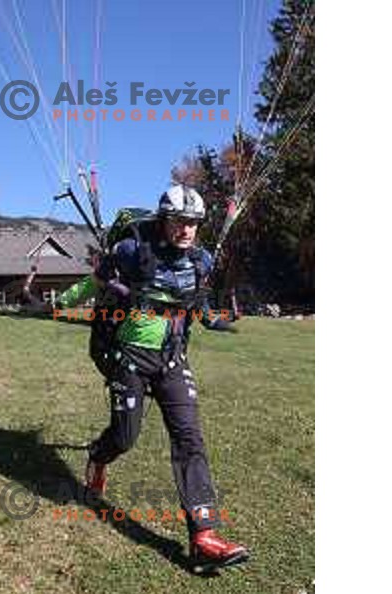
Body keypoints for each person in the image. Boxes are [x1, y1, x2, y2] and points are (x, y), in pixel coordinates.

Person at [55, 185, 248, 569]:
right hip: (130, 357)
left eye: (193, 223)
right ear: (164, 220)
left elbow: (201, 309)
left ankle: (203, 536)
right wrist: (63, 302)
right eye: (180, 221)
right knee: (125, 438)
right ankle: (98, 456)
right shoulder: (133, 251)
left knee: (189, 439)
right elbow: (97, 279)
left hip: (173, 359)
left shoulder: (201, 261)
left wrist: (221, 320)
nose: (187, 230)